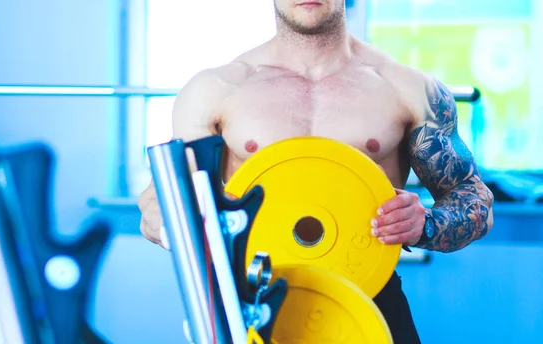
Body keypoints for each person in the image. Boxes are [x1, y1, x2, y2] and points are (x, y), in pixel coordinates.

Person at [138, 0, 495, 342]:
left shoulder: (408, 89)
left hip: (368, 298)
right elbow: (160, 200)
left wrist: (426, 225)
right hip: (251, 304)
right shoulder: (216, 90)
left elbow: (472, 196)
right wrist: (185, 229)